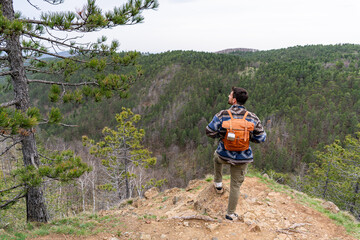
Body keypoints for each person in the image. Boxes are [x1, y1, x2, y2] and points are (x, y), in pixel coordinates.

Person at [206, 87, 266, 221]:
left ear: (234, 100)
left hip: (224, 155)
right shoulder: (252, 117)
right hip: (242, 158)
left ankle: (218, 183)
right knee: (235, 185)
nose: (228, 96)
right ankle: (230, 214)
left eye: (230, 94)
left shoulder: (222, 114)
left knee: (216, 157)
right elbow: (262, 138)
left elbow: (209, 131)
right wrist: (247, 137)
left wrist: (223, 135)